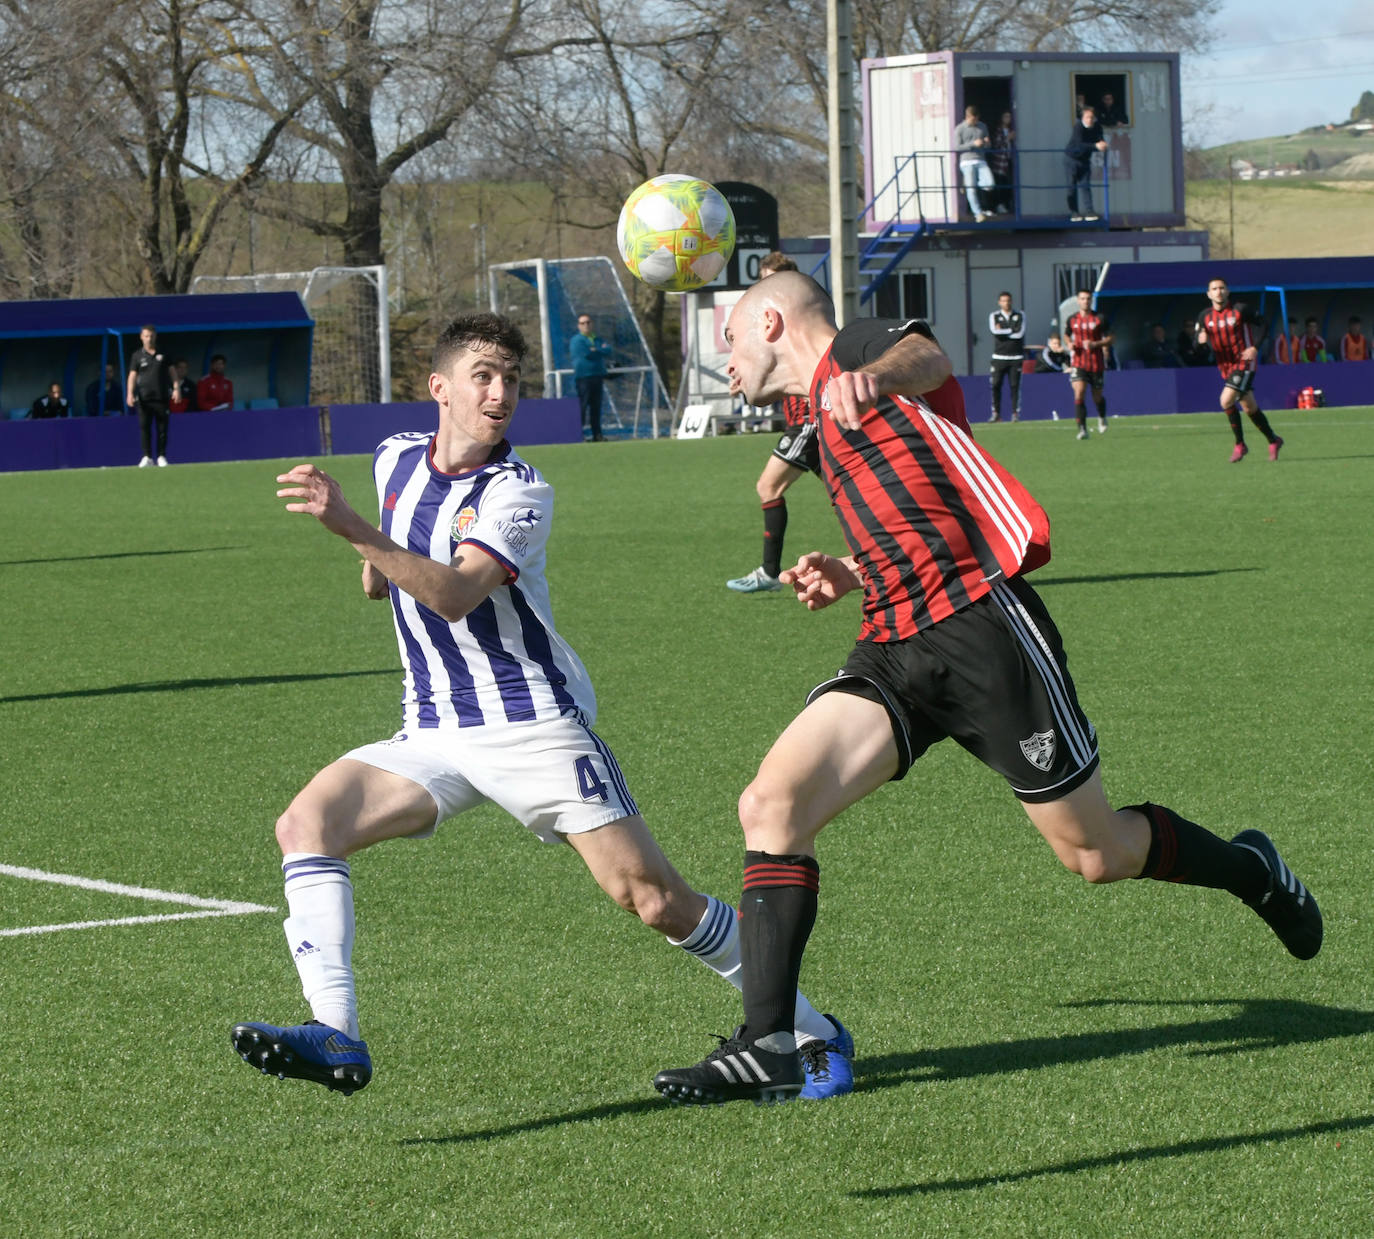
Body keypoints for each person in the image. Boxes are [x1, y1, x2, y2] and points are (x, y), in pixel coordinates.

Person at [651, 271, 1322, 1106]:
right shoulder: (811, 421)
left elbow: (927, 355)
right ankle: (770, 1044)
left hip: (982, 633)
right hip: (894, 641)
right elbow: (922, 518)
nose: (725, 355)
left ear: (776, 320)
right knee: (771, 806)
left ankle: (1253, 870)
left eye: (731, 335)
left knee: (1096, 853)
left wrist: (877, 375)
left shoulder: (856, 356)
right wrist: (849, 571)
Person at [229, 312, 854, 1101]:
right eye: (484, 376)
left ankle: (814, 1031)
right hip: (433, 728)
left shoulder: (518, 491)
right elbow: (380, 573)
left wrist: (349, 525)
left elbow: (454, 595)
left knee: (656, 900)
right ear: (441, 388)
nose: (501, 393)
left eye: (513, 380)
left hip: (532, 726)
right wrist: (372, 549)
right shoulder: (393, 459)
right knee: (304, 826)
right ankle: (336, 1030)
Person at [726, 252, 823, 594]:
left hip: (810, 421)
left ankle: (770, 572)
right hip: (807, 422)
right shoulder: (773, 326)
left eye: (769, 280)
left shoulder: (793, 320)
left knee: (768, 487)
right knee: (849, 495)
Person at [1196, 277, 1284, 464]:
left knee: (1225, 400)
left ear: (1227, 291)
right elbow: (1199, 346)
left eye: (1222, 288)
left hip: (1244, 362)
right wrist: (1200, 342)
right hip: (1225, 366)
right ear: (1208, 294)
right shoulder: (1204, 316)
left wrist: (1255, 347)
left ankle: (1240, 444)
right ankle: (1273, 440)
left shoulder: (1240, 310)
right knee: (1249, 407)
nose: (1218, 291)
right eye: (1214, 288)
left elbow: (1264, 324)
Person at [127, 324, 178, 466]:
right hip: (144, 398)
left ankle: (161, 456)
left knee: (162, 428)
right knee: (145, 427)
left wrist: (176, 388)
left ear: (155, 336)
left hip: (161, 396)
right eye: (146, 336)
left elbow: (172, 372)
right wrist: (130, 393)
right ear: (141, 337)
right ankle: (147, 456)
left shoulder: (164, 353)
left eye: (151, 336)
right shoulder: (137, 355)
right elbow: (132, 375)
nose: (149, 339)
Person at [1064, 289, 1112, 439]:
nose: (1085, 301)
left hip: (1096, 363)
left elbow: (1111, 337)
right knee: (1079, 392)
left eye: (1088, 299)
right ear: (1078, 301)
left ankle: (1102, 415)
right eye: (1083, 298)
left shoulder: (1099, 318)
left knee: (1097, 397)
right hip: (1078, 362)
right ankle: (1082, 429)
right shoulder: (1072, 319)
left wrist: (1096, 343)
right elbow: (1066, 334)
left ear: (1091, 301)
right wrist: (1069, 343)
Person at [570, 313, 612, 441]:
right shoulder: (577, 340)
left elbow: (608, 350)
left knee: (596, 407)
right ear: (578, 326)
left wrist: (596, 350)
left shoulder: (597, 339)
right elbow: (587, 354)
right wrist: (598, 350)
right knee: (582, 406)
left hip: (597, 376)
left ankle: (597, 435)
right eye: (583, 323)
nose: (586, 325)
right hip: (584, 378)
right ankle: (579, 435)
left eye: (588, 322)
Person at [1063, 106, 1108, 221]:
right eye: (1087, 117)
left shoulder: (1097, 127)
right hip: (1071, 158)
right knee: (1071, 186)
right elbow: (1079, 145)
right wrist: (1095, 146)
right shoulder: (1078, 127)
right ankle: (1074, 213)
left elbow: (1100, 139)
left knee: (1085, 186)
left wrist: (1102, 144)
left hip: (1085, 160)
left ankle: (1090, 212)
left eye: (1092, 117)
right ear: (1082, 118)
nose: (1090, 120)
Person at [987, 291, 1025, 422]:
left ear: (1011, 301)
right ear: (999, 302)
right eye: (1003, 301)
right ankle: (996, 413)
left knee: (1015, 386)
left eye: (1008, 300)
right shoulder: (994, 316)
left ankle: (1015, 413)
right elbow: (994, 331)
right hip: (999, 357)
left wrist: (1004, 330)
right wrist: (1011, 329)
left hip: (1016, 357)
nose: (1006, 303)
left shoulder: (1020, 315)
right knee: (996, 385)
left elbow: (1019, 334)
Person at [953, 104, 993, 224]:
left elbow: (989, 145)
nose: (975, 122)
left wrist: (986, 143)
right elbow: (957, 147)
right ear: (968, 117)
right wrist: (973, 144)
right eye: (972, 119)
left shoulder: (982, 126)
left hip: (980, 160)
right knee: (972, 190)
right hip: (967, 161)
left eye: (977, 119)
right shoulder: (960, 128)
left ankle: (968, 184)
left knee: (990, 184)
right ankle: (978, 214)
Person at [986, 111, 1016, 215]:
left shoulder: (1011, 130)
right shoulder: (999, 130)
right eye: (1006, 116)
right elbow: (997, 145)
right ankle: (998, 205)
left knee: (1008, 183)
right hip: (1000, 161)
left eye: (1009, 116)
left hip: (1008, 161)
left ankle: (1007, 204)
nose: (1008, 118)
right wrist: (1008, 138)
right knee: (999, 183)